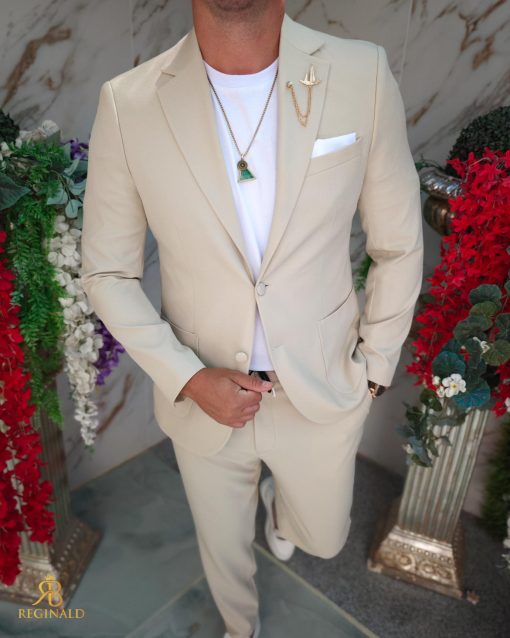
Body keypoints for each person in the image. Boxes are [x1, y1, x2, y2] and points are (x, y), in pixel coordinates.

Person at [81, 1, 424, 636]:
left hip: (322, 384)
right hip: (203, 392)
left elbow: (398, 243)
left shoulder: (362, 73)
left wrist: (374, 370)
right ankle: (241, 628)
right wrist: (187, 378)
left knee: (323, 539)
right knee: (223, 550)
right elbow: (107, 272)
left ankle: (279, 504)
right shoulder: (128, 102)